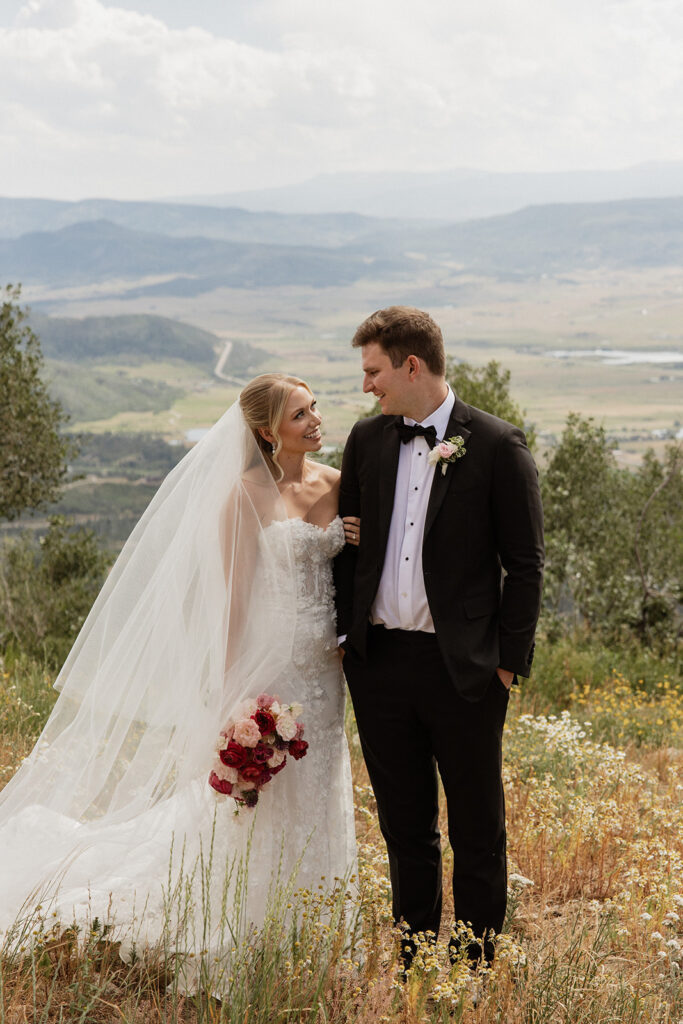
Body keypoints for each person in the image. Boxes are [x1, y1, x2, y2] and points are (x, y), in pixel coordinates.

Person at [0, 373, 358, 987]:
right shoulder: (242, 497)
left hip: (326, 667)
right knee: (259, 800)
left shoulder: (340, 485)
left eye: (314, 408)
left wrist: (356, 540)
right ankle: (244, 925)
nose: (316, 420)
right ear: (270, 431)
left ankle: (313, 926)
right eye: (301, 414)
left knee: (319, 780)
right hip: (268, 665)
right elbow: (232, 606)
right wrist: (231, 697)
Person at [334, 306, 544, 969]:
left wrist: (505, 667)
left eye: (373, 372)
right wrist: (348, 639)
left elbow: (526, 566)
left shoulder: (496, 444)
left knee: (477, 830)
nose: (367, 386)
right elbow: (347, 549)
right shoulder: (367, 441)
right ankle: (414, 963)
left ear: (410, 366)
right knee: (404, 830)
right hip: (379, 667)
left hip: (464, 673)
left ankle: (474, 971)